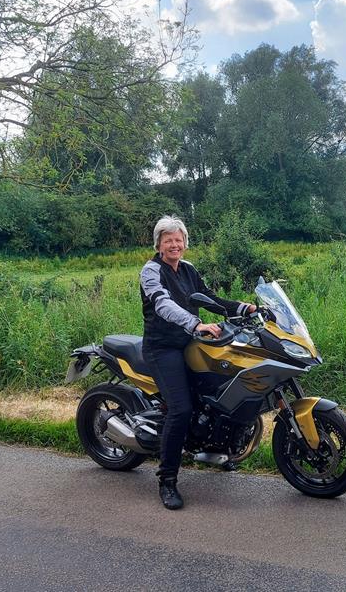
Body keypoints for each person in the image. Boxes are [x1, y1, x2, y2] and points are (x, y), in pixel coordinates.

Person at [140, 215, 256, 510]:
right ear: (159, 244)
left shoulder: (188, 270)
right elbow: (162, 303)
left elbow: (208, 299)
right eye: (168, 240)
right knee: (181, 409)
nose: (174, 245)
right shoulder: (151, 271)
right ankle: (167, 481)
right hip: (163, 347)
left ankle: (220, 448)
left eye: (178, 240)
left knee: (217, 392)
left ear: (185, 243)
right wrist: (195, 324)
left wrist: (247, 308)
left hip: (190, 343)